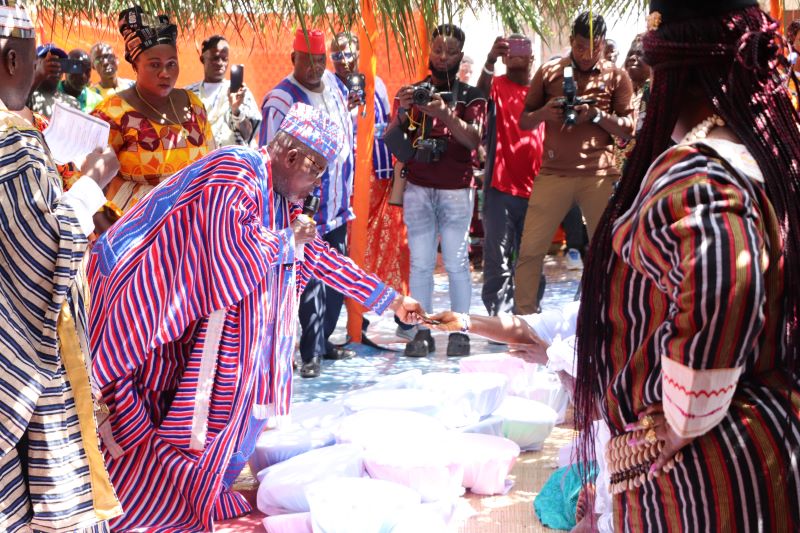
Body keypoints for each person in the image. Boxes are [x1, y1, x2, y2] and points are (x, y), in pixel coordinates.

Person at [88, 102, 424, 531]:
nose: (317, 182)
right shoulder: (238, 170)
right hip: (169, 321)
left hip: (247, 340)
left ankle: (193, 500)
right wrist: (286, 242)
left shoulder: (282, 195)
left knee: (235, 429)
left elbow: (317, 255)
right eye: (316, 169)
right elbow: (225, 253)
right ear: (290, 158)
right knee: (184, 426)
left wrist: (391, 301)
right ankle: (153, 509)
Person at [574, 1, 800, 530]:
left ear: (678, 73)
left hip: (701, 469)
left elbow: (724, 278)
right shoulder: (765, 154)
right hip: (758, 442)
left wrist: (683, 418)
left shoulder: (698, 168)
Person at [0, 3, 122, 530]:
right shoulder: (14, 141)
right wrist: (92, 182)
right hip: (27, 366)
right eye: (30, 58)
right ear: (10, 60)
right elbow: (47, 252)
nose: (34, 70)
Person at [514, 11, 634, 314]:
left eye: (595, 47)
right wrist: (544, 114)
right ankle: (525, 320)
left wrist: (595, 115)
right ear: (571, 42)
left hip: (600, 175)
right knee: (530, 251)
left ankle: (611, 317)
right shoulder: (549, 72)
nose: (587, 54)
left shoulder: (617, 77)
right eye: (581, 46)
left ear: (604, 44)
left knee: (609, 252)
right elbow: (524, 121)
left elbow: (628, 129)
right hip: (554, 173)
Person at [385, 23, 487, 358]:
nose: (442, 57)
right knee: (420, 264)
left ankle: (460, 332)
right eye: (437, 50)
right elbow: (394, 137)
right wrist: (402, 111)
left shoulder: (471, 96)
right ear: (429, 51)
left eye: (450, 52)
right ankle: (421, 331)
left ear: (460, 55)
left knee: (457, 263)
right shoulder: (415, 91)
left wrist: (445, 113)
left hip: (456, 190)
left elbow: (473, 140)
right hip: (418, 188)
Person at [260, 28, 356, 378]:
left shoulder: (336, 86)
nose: (316, 68)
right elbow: (272, 157)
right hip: (303, 210)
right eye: (308, 60)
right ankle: (309, 350)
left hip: (340, 206)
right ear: (293, 59)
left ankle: (325, 340)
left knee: (336, 281)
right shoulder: (281, 99)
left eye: (321, 60)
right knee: (310, 280)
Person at [328, 31, 412, 341]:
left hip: (382, 177)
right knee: (356, 251)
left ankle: (402, 312)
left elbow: (386, 125)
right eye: (336, 55)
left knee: (393, 247)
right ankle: (356, 313)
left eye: (348, 53)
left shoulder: (375, 82)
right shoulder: (329, 87)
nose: (343, 60)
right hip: (351, 184)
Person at [91, 5, 215, 213]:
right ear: (135, 67)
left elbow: (212, 163)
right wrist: (103, 224)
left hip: (194, 230)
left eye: (171, 64)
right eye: (155, 65)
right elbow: (84, 178)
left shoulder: (194, 105)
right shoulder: (112, 113)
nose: (165, 73)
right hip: (135, 234)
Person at [476, 34, 545, 317]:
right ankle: (500, 319)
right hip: (500, 188)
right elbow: (477, 97)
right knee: (497, 259)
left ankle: (529, 313)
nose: (516, 56)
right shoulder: (497, 85)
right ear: (505, 58)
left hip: (539, 190)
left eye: (522, 51)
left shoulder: (543, 90)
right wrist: (489, 60)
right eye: (510, 52)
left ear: (532, 58)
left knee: (532, 258)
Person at [186, 34, 261, 147]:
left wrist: (236, 111)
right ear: (202, 59)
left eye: (224, 59)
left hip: (233, 161)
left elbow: (248, 135)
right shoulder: (189, 94)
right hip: (202, 161)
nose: (221, 63)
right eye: (215, 58)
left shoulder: (240, 93)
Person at [27, 43, 80, 117]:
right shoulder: (30, 97)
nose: (55, 65)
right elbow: (18, 105)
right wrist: (40, 74)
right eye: (49, 61)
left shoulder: (72, 103)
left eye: (59, 62)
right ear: (35, 64)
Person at [59, 48, 103, 112]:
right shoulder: (49, 91)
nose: (83, 76)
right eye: (77, 70)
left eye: (87, 71)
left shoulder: (97, 102)